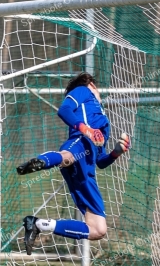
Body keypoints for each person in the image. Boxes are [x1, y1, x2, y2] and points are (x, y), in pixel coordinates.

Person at [16, 72, 130, 254]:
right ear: (92, 84)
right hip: (80, 143)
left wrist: (116, 153)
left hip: (87, 172)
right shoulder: (83, 91)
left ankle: (37, 224)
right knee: (68, 156)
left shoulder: (101, 120)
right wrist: (86, 130)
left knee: (98, 229)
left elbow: (100, 161)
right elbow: (64, 110)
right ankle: (40, 162)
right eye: (97, 87)